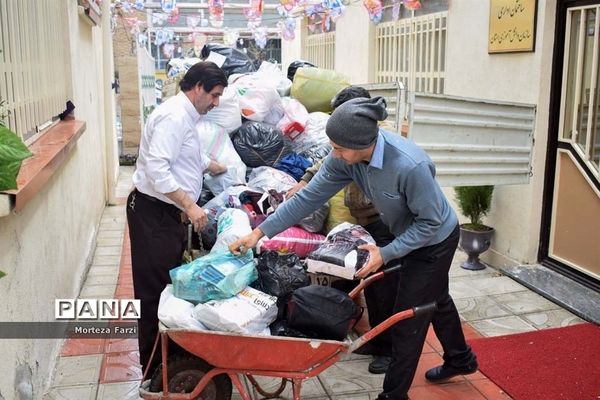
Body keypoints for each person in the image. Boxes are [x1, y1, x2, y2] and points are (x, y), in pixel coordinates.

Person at [229, 96, 478, 400]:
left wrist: (386, 253)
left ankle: (393, 396)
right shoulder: (347, 158)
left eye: (339, 148)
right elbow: (308, 198)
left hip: (436, 239)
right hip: (405, 229)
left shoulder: (409, 165)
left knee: (408, 318)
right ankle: (460, 358)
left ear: (362, 143)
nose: (334, 154)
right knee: (434, 296)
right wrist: (259, 232)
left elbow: (430, 223)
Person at [126, 61, 228, 373]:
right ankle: (156, 369)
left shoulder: (187, 115)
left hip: (165, 213)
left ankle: (168, 361)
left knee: (167, 287)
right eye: (213, 95)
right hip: (153, 214)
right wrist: (189, 204)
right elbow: (158, 170)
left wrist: (217, 167)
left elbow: (188, 157)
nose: (216, 103)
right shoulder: (174, 116)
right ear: (197, 87)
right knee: (154, 293)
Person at [287, 85, 397, 374]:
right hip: (365, 222)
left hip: (387, 223)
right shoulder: (350, 143)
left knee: (386, 289)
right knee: (368, 284)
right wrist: (305, 180)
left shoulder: (381, 146)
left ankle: (392, 351)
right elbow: (328, 162)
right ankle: (378, 339)